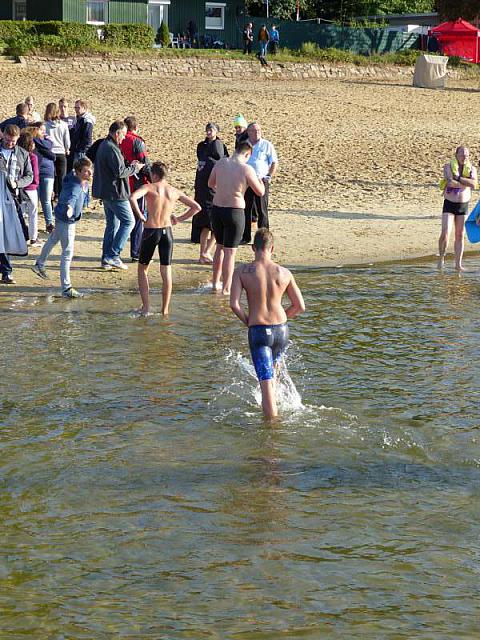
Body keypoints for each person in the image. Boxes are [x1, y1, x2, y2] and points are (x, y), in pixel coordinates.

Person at [230, 228, 305, 419]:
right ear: (272, 248)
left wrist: (248, 321)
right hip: (281, 330)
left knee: (265, 383)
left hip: (259, 331)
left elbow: (234, 304)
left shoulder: (241, 272)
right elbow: (300, 306)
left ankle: (272, 431)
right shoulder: (284, 272)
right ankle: (278, 411)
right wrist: (283, 319)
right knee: (274, 376)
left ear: (253, 247)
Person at [129, 161, 200, 316]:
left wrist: (141, 216)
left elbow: (132, 197)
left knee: (143, 269)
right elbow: (196, 207)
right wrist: (179, 219)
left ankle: (146, 308)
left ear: (154, 175)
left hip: (150, 231)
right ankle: (165, 310)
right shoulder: (173, 191)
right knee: (166, 270)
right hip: (167, 232)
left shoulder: (148, 187)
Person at [207, 140, 265, 295]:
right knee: (230, 252)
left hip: (217, 209)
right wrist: (260, 180)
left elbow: (211, 183)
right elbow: (260, 192)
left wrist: (224, 188)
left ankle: (215, 284)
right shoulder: (246, 168)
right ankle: (226, 288)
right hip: (234, 210)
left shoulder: (220, 163)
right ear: (247, 154)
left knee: (219, 247)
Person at [32, 158, 92, 298]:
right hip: (67, 220)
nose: (89, 173)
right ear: (78, 172)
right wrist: (70, 208)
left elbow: (70, 178)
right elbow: (71, 198)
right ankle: (66, 288)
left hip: (60, 216)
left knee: (53, 239)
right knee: (67, 253)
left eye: (90, 170)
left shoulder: (73, 176)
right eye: (85, 171)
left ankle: (39, 264)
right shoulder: (75, 186)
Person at [93, 120, 141, 271]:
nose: (124, 138)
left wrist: (130, 166)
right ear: (117, 133)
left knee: (113, 226)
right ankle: (113, 255)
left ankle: (106, 259)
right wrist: (135, 168)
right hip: (115, 193)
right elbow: (120, 172)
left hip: (108, 192)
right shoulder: (110, 147)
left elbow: (117, 168)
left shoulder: (105, 145)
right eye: (123, 135)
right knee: (129, 222)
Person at [0, 124, 33, 284]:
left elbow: (29, 176)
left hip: (13, 200)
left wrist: (17, 183)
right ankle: (6, 272)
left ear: (18, 139)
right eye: (7, 140)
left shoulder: (23, 154)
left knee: (13, 235)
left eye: (13, 141)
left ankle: (5, 270)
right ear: (3, 135)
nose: (10, 143)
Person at [191, 122, 228, 264]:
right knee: (204, 223)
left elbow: (222, 161)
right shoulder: (202, 145)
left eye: (211, 130)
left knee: (214, 225)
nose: (209, 132)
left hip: (213, 190)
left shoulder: (219, 145)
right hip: (201, 189)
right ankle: (203, 253)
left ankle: (207, 251)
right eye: (207, 130)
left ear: (216, 132)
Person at [438, 146, 477, 271]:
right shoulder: (448, 167)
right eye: (462, 155)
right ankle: (441, 259)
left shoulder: (472, 169)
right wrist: (465, 183)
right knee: (445, 233)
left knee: (460, 235)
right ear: (456, 155)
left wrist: (459, 179)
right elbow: (449, 182)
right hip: (449, 203)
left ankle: (458, 264)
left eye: (466, 155)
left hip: (463, 205)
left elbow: (474, 184)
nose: (464, 157)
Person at [119, 116, 150, 262]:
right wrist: (152, 180)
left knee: (121, 219)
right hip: (136, 183)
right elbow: (144, 163)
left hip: (121, 184)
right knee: (138, 218)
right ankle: (136, 252)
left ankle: (115, 252)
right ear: (136, 127)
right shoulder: (137, 141)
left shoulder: (117, 140)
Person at [243, 122, 278, 244]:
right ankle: (245, 236)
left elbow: (274, 162)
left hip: (260, 180)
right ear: (249, 132)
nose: (257, 132)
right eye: (254, 130)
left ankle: (263, 239)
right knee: (245, 209)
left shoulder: (267, 145)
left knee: (262, 210)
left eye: (259, 130)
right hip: (246, 181)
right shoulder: (244, 144)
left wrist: (269, 176)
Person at [17, 131, 41, 247]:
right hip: (30, 188)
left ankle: (21, 237)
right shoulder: (32, 157)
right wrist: (35, 184)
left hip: (19, 187)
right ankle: (33, 238)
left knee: (20, 214)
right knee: (33, 214)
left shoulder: (17, 155)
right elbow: (35, 174)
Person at [33, 122, 56, 233]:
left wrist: (39, 144)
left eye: (43, 130)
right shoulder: (32, 140)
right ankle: (34, 225)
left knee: (46, 200)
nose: (43, 132)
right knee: (35, 201)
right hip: (36, 172)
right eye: (41, 129)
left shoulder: (48, 141)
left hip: (47, 172)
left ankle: (49, 223)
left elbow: (50, 150)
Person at [44, 102, 70, 199]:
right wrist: (67, 149)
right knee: (62, 177)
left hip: (50, 153)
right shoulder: (64, 125)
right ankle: (61, 199)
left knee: (51, 178)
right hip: (61, 153)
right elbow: (66, 140)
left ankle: (50, 200)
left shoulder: (45, 125)